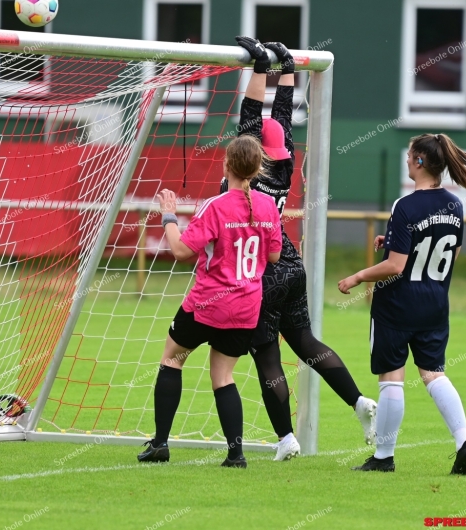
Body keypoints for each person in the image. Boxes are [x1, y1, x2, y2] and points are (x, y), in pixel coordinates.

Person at [232, 36, 377, 461]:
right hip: (290, 260)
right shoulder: (285, 160)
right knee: (306, 341)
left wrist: (259, 66)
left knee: (267, 355)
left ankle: (285, 439)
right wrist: (286, 65)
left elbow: (249, 117)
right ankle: (357, 401)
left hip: (261, 265)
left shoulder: (245, 166)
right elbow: (281, 116)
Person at [339, 133, 466, 474]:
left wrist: (358, 276)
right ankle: (464, 441)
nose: (407, 160)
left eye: (410, 156)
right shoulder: (455, 204)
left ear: (421, 161)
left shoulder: (404, 205)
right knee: (434, 374)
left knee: (391, 378)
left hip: (398, 304)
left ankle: (383, 457)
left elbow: (395, 265)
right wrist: (393, 241)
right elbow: (450, 251)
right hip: (435, 303)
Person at [137, 135, 282, 468]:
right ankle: (236, 454)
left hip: (208, 305)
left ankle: (160, 444)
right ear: (257, 169)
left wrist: (169, 217)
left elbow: (180, 250)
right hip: (246, 307)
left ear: (227, 164)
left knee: (173, 359)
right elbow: (273, 255)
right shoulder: (268, 206)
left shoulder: (216, 206)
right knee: (224, 376)